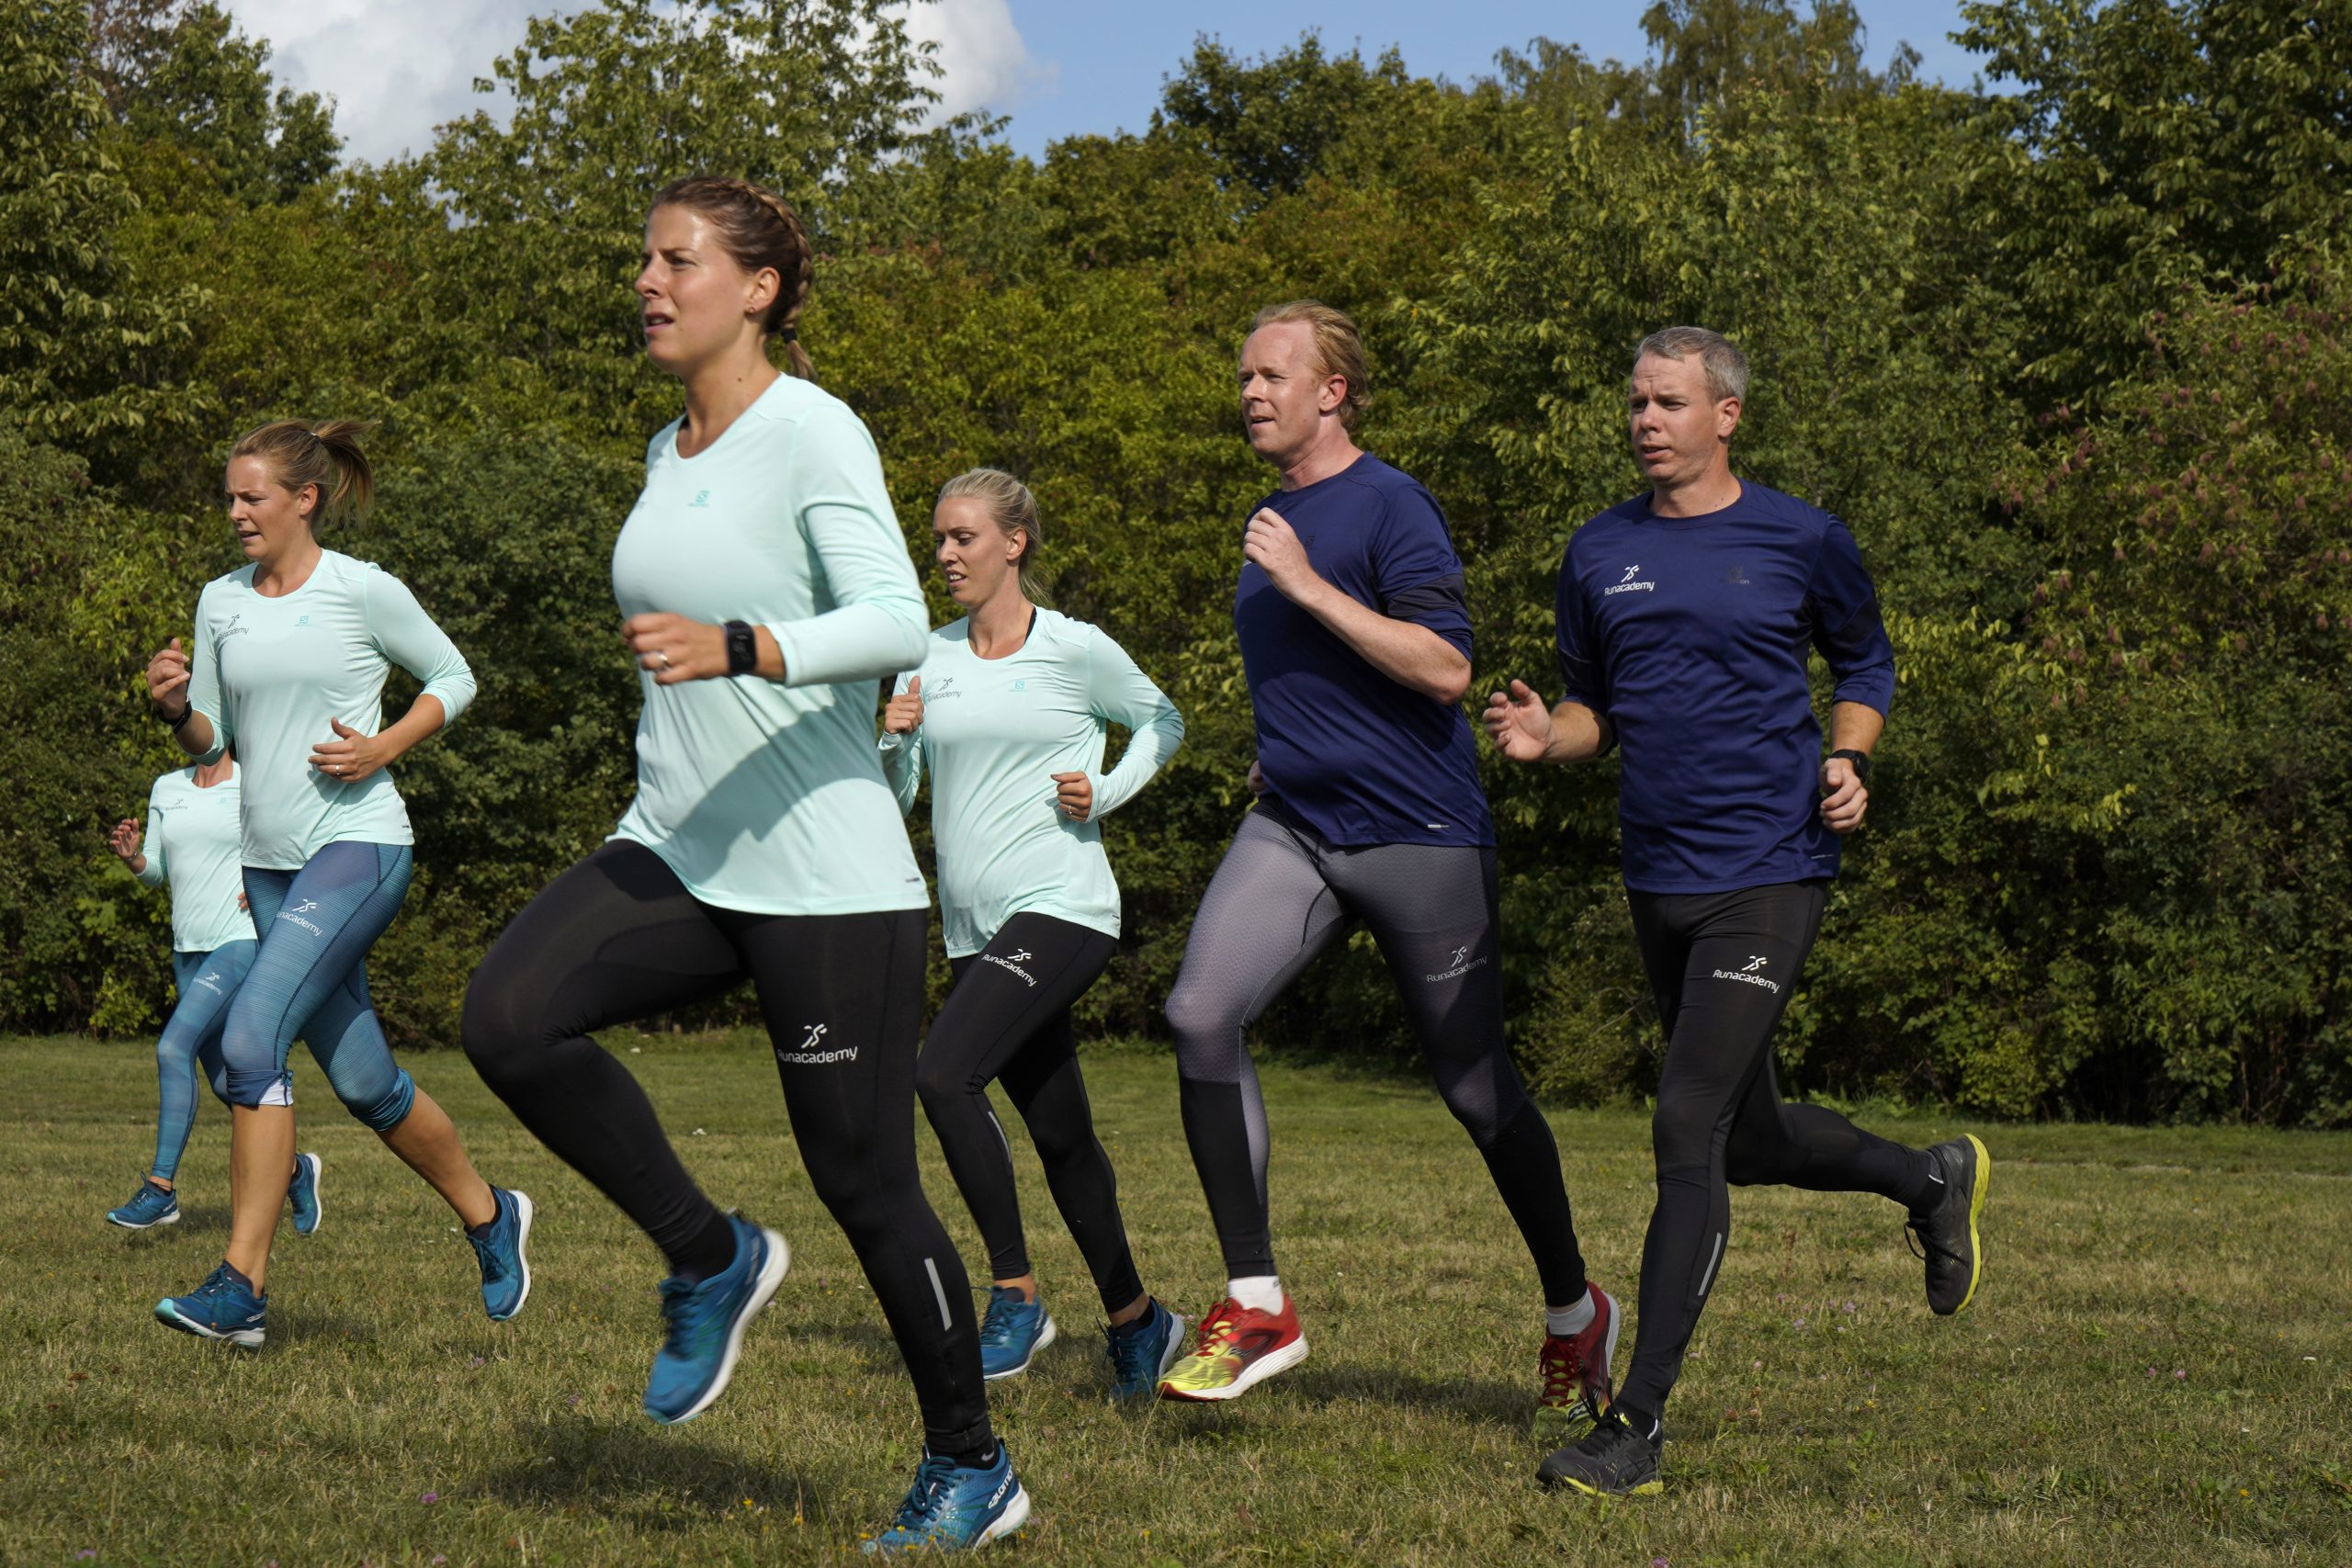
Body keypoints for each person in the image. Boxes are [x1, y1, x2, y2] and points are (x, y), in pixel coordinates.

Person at [459, 175, 1027, 1553]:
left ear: (758, 288)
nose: (648, 282)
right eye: (644, 260)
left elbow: (892, 619)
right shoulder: (670, 447)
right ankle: (710, 1255)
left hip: (824, 877)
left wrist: (745, 645)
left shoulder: (811, 428)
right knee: (509, 1020)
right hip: (679, 843)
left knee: (866, 1184)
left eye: (678, 260)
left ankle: (973, 1466)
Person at [1485, 326, 1991, 1497]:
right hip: (1656, 874)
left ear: (1726, 415)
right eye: (1635, 402)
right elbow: (1593, 710)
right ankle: (1930, 1181)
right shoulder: (1597, 549)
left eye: (1667, 402)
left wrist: (1849, 758)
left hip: (1769, 868)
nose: (1644, 421)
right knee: (1747, 1143)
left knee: (1686, 1128)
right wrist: (1547, 736)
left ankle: (1636, 1427)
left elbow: (1865, 665)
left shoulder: (1802, 537)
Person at [1157, 300, 1615, 1438]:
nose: (1249, 392)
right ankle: (1256, 1303)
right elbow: (1312, 676)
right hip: (1298, 825)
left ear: (1332, 392)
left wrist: (1309, 585)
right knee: (1200, 1013)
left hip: (1418, 836)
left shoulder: (1388, 503)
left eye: (1271, 375)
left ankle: (1575, 1311)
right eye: (1243, 375)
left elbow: (1445, 667)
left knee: (1474, 1089)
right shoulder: (1273, 515)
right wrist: (1287, 747)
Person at [141, 419, 530, 1349]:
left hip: (359, 847)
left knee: (249, 1039)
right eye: (230, 498)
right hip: (269, 867)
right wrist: (175, 711)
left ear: (304, 499)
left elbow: (454, 676)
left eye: (253, 497)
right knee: (363, 1082)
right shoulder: (221, 601)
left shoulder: (361, 589)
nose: (236, 512)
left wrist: (384, 746)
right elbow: (215, 737)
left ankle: (241, 1287)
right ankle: (492, 1214)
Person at [879, 468, 1188, 1398]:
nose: (945, 554)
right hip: (974, 930)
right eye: (938, 539)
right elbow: (901, 798)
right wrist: (891, 739)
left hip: (1062, 905)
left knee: (942, 1074)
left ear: (1014, 543)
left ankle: (1015, 1294)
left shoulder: (1073, 648)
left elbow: (1162, 720)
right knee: (1061, 1135)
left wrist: (1107, 789)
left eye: (963, 537)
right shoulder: (926, 656)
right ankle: (1138, 1321)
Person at [103, 750, 322, 1235]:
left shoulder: (254, 780)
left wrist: (279, 887)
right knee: (230, 1085)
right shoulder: (166, 787)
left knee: (172, 1048)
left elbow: (307, 842)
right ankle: (294, 1170)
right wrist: (134, 858)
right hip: (188, 950)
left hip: (241, 939)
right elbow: (157, 869)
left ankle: (161, 1188)